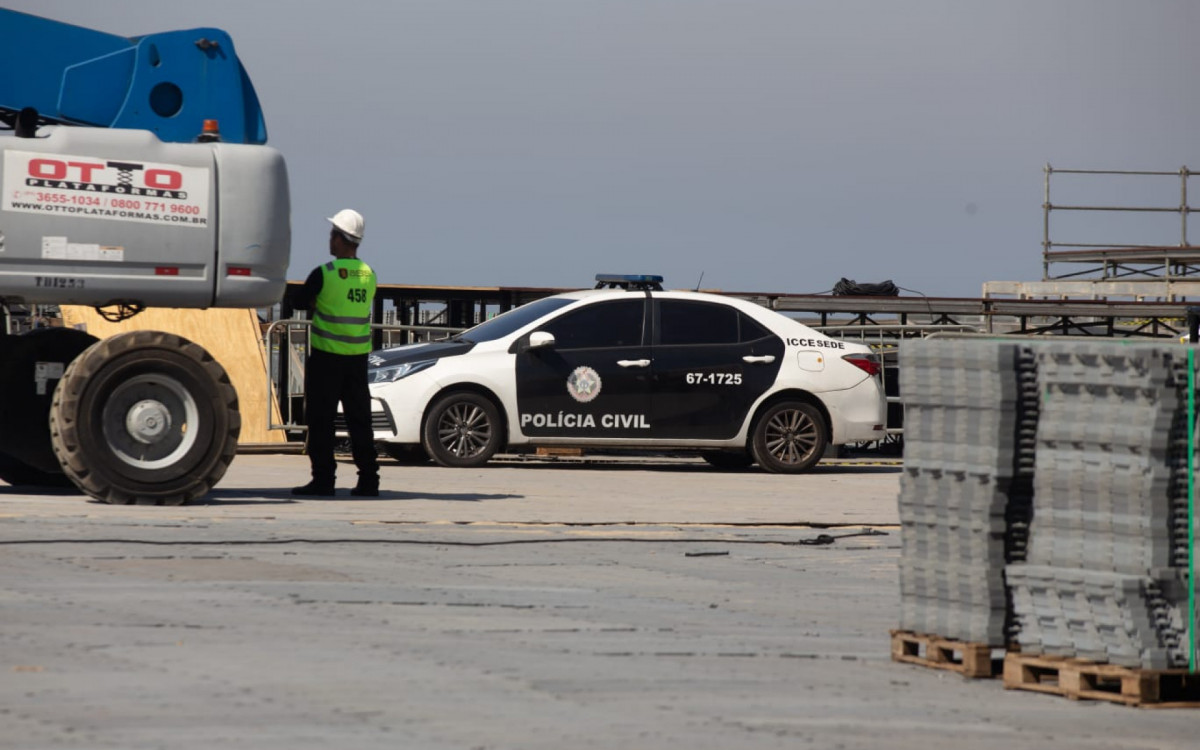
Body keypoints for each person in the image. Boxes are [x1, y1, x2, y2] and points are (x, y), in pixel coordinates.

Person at [291, 209, 380, 497]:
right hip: (357, 361)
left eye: (332, 234)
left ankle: (324, 480)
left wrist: (317, 302)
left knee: (321, 421)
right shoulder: (369, 274)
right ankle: (369, 481)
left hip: (327, 358)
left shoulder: (324, 274)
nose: (329, 239)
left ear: (341, 239)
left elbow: (299, 302)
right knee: (360, 422)